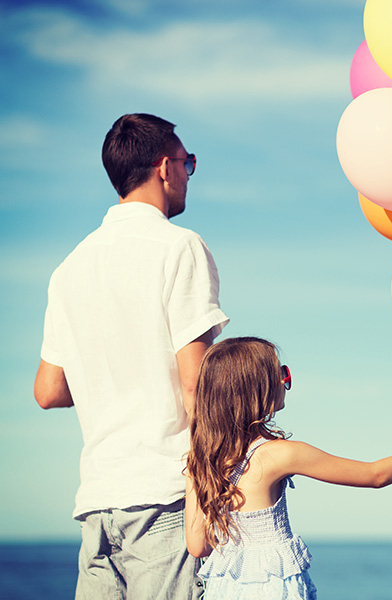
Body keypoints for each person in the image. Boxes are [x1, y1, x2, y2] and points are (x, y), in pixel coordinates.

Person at [33, 113, 229, 599]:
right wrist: (216, 486)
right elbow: (194, 385)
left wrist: (112, 370)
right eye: (188, 162)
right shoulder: (179, 247)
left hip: (98, 503)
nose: (188, 174)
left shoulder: (69, 268)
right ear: (165, 167)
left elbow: (48, 390)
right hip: (163, 497)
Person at [185, 336, 392, 598]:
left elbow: (197, 546)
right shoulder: (280, 454)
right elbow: (375, 475)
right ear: (258, 389)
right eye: (281, 374)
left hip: (226, 588)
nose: (285, 381)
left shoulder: (199, 459)